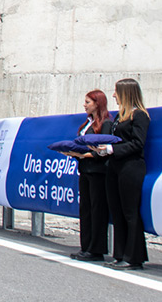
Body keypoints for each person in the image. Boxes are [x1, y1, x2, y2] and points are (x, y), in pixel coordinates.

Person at [96, 78, 150, 270]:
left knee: (130, 211)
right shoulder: (120, 117)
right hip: (115, 166)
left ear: (126, 93)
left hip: (131, 167)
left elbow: (138, 143)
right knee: (117, 210)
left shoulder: (139, 115)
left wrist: (113, 150)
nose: (114, 96)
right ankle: (120, 253)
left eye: (116, 92)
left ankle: (134, 256)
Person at [70, 89, 112, 262]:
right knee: (86, 209)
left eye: (88, 102)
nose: (84, 105)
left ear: (97, 103)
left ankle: (96, 248)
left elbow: (104, 149)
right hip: (85, 170)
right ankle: (85, 246)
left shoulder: (106, 123)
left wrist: (84, 155)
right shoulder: (87, 123)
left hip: (98, 171)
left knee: (97, 210)